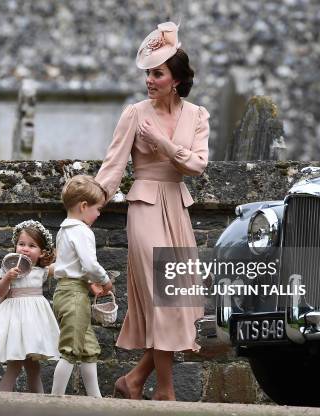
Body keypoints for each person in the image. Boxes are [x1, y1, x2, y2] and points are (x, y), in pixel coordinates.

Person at [95, 22, 209, 401]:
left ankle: (134, 380)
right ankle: (166, 390)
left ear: (175, 79)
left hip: (177, 207)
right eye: (148, 72)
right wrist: (88, 206)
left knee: (178, 300)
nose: (150, 79)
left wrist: (160, 142)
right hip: (144, 206)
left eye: (157, 73)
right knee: (164, 295)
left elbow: (195, 166)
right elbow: (112, 167)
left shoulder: (197, 115)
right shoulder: (134, 113)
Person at [0, 220, 60, 393]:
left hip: (34, 324)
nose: (25, 248)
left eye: (31, 245)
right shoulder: (8, 268)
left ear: (41, 253)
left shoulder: (41, 271)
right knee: (14, 366)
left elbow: (63, 267)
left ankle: (39, 405)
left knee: (34, 369)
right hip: (14, 321)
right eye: (21, 244)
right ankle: (3, 402)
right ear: (15, 246)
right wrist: (7, 278)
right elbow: (0, 292)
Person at [50, 175, 113, 398]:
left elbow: (71, 263)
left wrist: (88, 283)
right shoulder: (82, 231)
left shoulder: (64, 230)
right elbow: (89, 264)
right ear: (84, 206)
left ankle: (96, 399)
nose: (98, 214)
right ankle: (55, 399)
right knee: (70, 349)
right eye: (97, 209)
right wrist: (104, 280)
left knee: (87, 348)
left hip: (66, 292)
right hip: (74, 296)